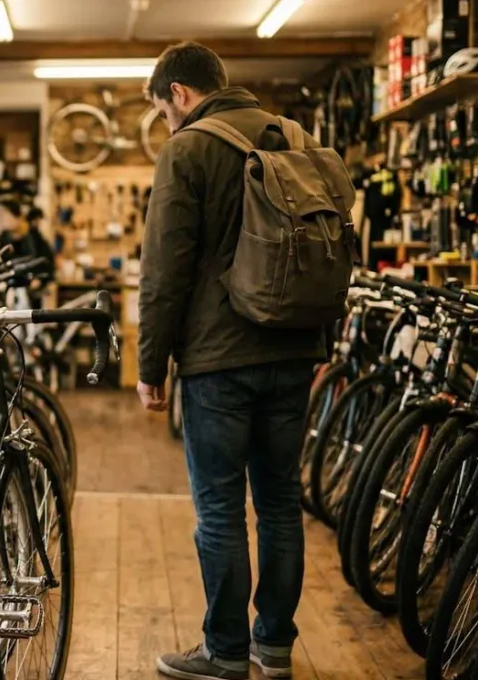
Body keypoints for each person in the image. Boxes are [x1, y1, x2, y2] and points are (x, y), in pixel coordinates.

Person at [136, 42, 327, 680]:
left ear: (181, 94)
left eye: (165, 111)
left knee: (219, 509)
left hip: (219, 359)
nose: (168, 123)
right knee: (279, 503)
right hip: (296, 347)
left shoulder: (187, 149)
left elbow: (164, 271)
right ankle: (273, 647)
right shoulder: (296, 138)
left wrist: (149, 365)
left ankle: (223, 653)